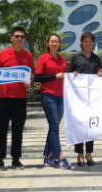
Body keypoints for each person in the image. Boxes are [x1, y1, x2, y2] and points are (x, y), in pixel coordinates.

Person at [0, 26, 35, 170]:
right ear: (11, 38)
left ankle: (16, 159)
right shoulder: (2, 54)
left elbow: (32, 74)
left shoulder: (28, 55)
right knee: (1, 130)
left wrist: (29, 81)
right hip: (3, 97)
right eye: (17, 36)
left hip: (20, 98)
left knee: (18, 130)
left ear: (25, 39)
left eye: (22, 37)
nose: (19, 39)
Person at [35, 34, 71, 169]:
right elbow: (38, 78)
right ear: (48, 44)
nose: (54, 43)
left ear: (59, 44)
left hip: (61, 97)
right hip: (48, 96)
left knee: (53, 127)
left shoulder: (62, 60)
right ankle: (58, 156)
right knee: (55, 126)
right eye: (52, 41)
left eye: (56, 42)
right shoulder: (43, 59)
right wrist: (55, 76)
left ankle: (48, 156)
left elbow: (67, 75)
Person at [68, 31, 102, 166]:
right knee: (79, 125)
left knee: (90, 125)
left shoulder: (97, 59)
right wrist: (73, 74)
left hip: (92, 97)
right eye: (85, 41)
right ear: (81, 43)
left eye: (90, 41)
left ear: (93, 43)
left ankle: (89, 154)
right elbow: (69, 74)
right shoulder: (75, 57)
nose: (88, 43)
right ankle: (79, 154)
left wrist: (101, 73)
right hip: (78, 97)